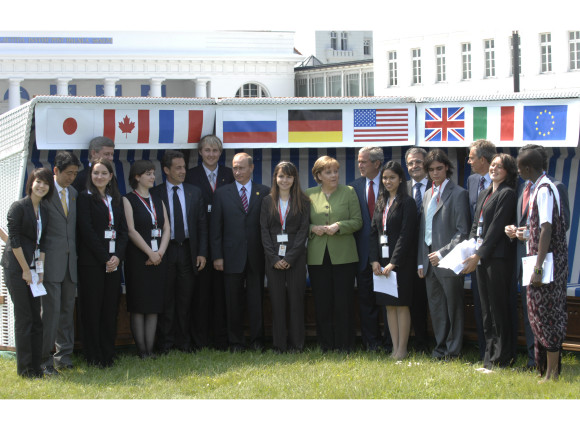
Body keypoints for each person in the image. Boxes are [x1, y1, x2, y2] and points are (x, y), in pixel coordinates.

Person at [506, 143, 571, 370]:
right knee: (538, 314)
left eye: (519, 167)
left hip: (545, 263)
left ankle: (552, 372)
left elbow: (546, 229)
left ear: (527, 167)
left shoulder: (544, 189)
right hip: (541, 259)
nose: (518, 172)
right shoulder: (539, 187)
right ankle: (543, 367)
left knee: (546, 315)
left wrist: (538, 266)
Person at [462, 153, 517, 369]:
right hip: (481, 256)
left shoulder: (508, 194)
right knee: (486, 309)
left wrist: (479, 254)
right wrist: (471, 246)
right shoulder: (485, 192)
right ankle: (489, 358)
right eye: (493, 165)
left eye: (499, 167)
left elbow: (495, 230)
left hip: (497, 258)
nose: (494, 169)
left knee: (498, 308)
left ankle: (502, 359)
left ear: (508, 171)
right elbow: (477, 225)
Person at [210, 152, 269, 352]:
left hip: (256, 256)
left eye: (242, 167)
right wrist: (217, 256)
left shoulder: (265, 192)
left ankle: (257, 340)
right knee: (232, 302)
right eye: (235, 168)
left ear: (252, 168)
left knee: (256, 301)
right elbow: (215, 228)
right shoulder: (221, 193)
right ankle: (235, 342)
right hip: (230, 257)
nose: (237, 172)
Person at [151, 150, 208, 353]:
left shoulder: (194, 191)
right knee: (166, 298)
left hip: (188, 251)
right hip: (165, 251)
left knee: (186, 298)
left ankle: (184, 342)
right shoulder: (155, 193)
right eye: (178, 168)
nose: (183, 171)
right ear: (166, 170)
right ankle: (165, 343)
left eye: (184, 167)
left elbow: (202, 225)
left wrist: (202, 252)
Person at [306, 155, 362, 353]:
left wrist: (339, 225)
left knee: (344, 301)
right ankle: (326, 344)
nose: (334, 175)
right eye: (328, 172)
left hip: (345, 256)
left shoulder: (349, 192)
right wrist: (312, 227)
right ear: (318, 175)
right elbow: (300, 224)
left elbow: (357, 221)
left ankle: (346, 345)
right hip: (317, 257)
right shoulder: (308, 194)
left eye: (336, 171)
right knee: (322, 301)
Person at [417, 149, 470, 360]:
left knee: (453, 308)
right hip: (429, 262)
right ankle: (440, 349)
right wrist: (422, 261)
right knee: (437, 309)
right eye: (431, 170)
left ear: (447, 167)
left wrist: (442, 253)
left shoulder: (459, 193)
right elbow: (423, 230)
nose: (435, 173)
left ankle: (453, 351)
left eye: (439, 168)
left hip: (449, 261)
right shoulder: (428, 193)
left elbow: (463, 232)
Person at [1, 168, 53, 378]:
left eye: (46, 183)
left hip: (33, 269)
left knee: (36, 319)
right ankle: (25, 370)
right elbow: (13, 241)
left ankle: (37, 367)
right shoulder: (18, 207)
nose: (41, 186)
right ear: (31, 182)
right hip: (16, 268)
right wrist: (25, 270)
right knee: (24, 319)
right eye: (38, 182)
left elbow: (44, 242)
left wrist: (39, 270)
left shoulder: (45, 210)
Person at [76, 158, 128, 367]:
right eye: (96, 173)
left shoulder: (115, 198)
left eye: (103, 173)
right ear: (90, 175)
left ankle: (108, 352)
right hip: (92, 264)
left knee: (109, 309)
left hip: (114, 264)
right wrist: (105, 258)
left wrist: (117, 257)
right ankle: (93, 354)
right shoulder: (84, 198)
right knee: (92, 309)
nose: (99, 177)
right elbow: (86, 231)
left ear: (111, 176)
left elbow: (123, 231)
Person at [184, 135, 233, 350]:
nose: (211, 154)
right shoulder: (191, 176)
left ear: (221, 154)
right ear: (200, 152)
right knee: (201, 295)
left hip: (225, 243)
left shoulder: (230, 175)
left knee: (222, 295)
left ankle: (221, 340)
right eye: (207, 150)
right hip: (200, 244)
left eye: (215, 151)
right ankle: (200, 341)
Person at [260, 161, 310, 353]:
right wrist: (274, 258)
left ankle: (297, 345)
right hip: (273, 260)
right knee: (277, 302)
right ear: (275, 178)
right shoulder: (266, 201)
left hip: (296, 259)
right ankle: (279, 345)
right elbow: (264, 231)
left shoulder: (303, 202)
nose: (285, 180)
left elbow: (303, 232)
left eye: (289, 176)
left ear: (294, 179)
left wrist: (289, 258)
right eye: (281, 176)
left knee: (296, 301)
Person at [122, 160, 170, 358]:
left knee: (153, 305)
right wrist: (150, 253)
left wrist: (159, 253)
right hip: (138, 259)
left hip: (158, 258)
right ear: (137, 177)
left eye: (153, 173)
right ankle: (141, 350)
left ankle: (150, 350)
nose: (153, 177)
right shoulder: (128, 199)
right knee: (139, 306)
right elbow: (131, 230)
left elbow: (167, 227)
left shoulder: (158, 200)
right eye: (148, 173)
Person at [370, 161, 417, 360]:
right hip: (382, 262)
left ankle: (402, 350)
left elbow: (406, 235)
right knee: (389, 305)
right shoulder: (381, 202)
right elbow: (373, 233)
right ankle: (394, 349)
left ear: (400, 179)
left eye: (392, 177)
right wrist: (374, 261)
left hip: (401, 263)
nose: (388, 181)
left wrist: (394, 262)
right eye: (385, 178)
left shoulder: (407, 202)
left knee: (401, 304)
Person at [41, 151, 80, 375]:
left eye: (75, 173)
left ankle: (64, 357)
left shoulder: (74, 193)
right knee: (50, 313)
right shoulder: (44, 192)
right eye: (68, 173)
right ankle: (44, 359)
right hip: (49, 263)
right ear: (55, 171)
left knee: (67, 311)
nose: (71, 177)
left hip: (69, 264)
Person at [349, 147, 391, 352]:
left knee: (388, 302)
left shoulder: (390, 183)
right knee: (366, 301)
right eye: (359, 161)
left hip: (388, 254)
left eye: (364, 161)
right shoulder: (353, 187)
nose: (360, 165)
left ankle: (390, 342)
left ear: (377, 163)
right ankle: (371, 343)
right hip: (363, 254)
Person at [466, 139, 496, 361]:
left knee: (494, 304)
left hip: (496, 253)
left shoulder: (506, 183)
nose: (468, 161)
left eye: (471, 157)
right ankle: (484, 350)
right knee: (480, 302)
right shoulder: (472, 180)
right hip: (475, 251)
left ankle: (499, 350)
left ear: (483, 160)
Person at [404, 147, 431, 352]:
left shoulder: (438, 185)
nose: (414, 166)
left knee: (434, 299)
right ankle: (420, 341)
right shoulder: (401, 188)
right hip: (407, 255)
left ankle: (439, 340)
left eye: (418, 162)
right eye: (411, 163)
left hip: (433, 253)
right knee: (414, 300)